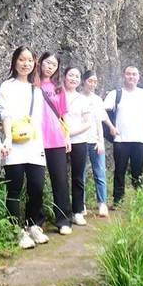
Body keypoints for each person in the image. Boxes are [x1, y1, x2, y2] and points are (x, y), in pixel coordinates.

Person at [0, 47, 50, 249]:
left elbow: (39, 120)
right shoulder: (6, 86)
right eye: (22, 59)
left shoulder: (36, 90)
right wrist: (7, 139)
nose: (26, 64)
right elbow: (5, 113)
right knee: (14, 187)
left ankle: (32, 225)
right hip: (13, 143)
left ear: (34, 63)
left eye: (29, 60)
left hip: (34, 144)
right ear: (14, 61)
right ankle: (16, 229)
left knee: (36, 187)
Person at [104, 65, 143, 206]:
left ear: (138, 77)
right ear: (123, 76)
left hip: (140, 139)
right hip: (121, 139)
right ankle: (118, 201)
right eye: (128, 74)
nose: (131, 77)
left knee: (138, 171)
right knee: (120, 171)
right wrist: (111, 127)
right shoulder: (115, 94)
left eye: (134, 74)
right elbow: (102, 110)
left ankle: (139, 200)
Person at [37, 52, 73, 234]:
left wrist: (68, 137)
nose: (49, 67)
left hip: (57, 139)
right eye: (47, 62)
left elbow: (64, 114)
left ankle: (64, 220)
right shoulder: (32, 84)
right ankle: (36, 221)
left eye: (53, 64)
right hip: (35, 139)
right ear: (40, 63)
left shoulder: (59, 88)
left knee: (60, 181)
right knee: (36, 182)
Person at [80, 70, 116, 217]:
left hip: (95, 140)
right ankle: (81, 204)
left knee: (100, 172)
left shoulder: (97, 100)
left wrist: (101, 141)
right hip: (81, 141)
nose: (92, 84)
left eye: (95, 81)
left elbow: (99, 121)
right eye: (90, 81)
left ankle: (102, 203)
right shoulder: (77, 98)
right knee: (80, 174)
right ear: (83, 81)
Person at [63, 67, 93, 226]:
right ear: (64, 77)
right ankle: (63, 211)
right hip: (59, 142)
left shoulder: (82, 99)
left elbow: (88, 123)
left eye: (76, 76)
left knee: (77, 177)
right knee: (61, 177)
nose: (73, 78)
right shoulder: (58, 94)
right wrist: (64, 135)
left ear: (80, 80)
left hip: (79, 141)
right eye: (70, 75)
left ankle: (78, 211)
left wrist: (71, 133)